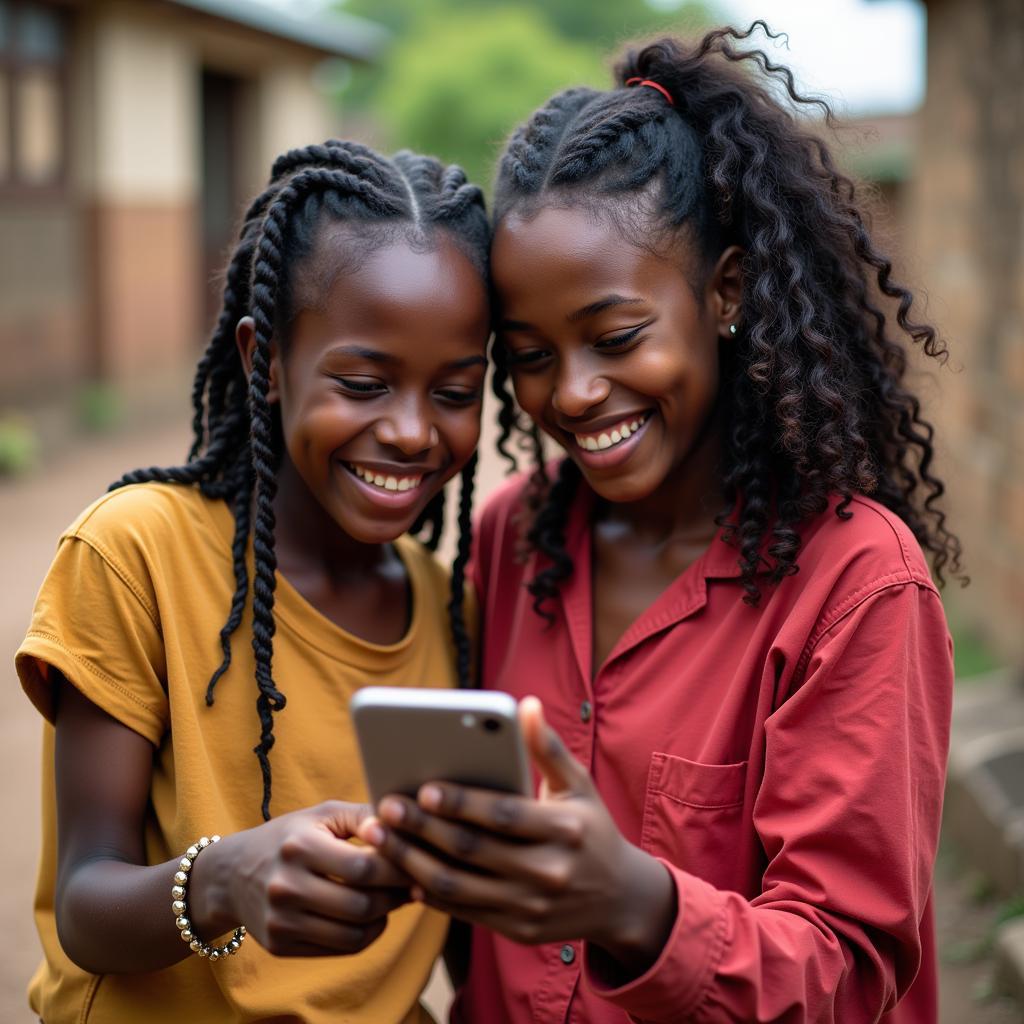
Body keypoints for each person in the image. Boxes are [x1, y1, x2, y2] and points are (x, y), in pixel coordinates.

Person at [357, 25, 960, 1023]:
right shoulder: (517, 536)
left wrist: (634, 904)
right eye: (532, 355)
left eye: (616, 335)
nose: (577, 391)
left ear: (724, 292)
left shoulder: (854, 584)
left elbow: (851, 973)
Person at [15, 140, 490, 1024]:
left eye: (457, 391)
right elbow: (87, 904)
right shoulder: (140, 553)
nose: (414, 432)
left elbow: (460, 927)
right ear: (265, 358)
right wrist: (226, 879)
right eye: (363, 383)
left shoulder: (450, 610)